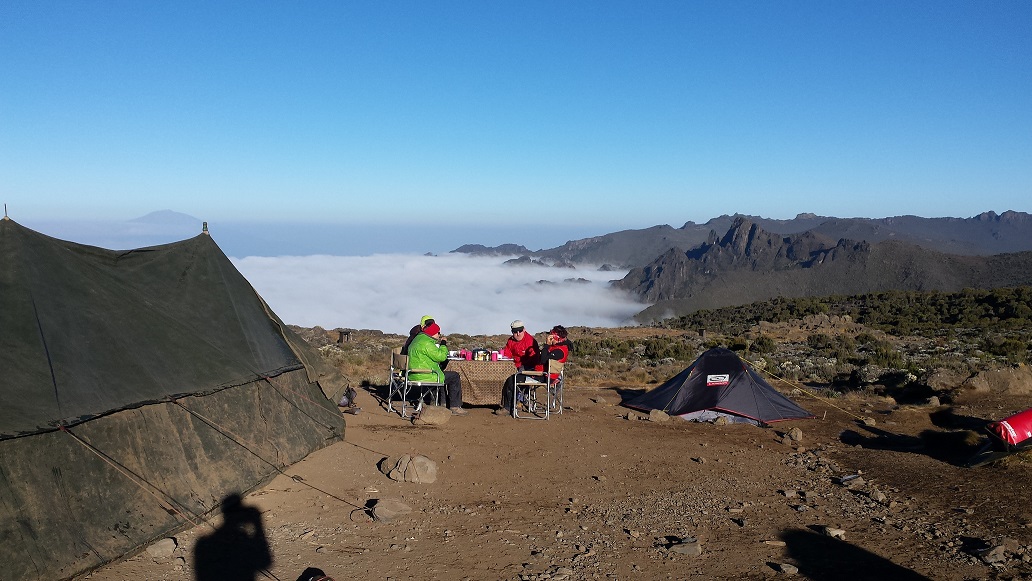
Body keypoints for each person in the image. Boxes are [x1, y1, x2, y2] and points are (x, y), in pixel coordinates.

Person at [406, 321, 467, 415]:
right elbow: (441, 357)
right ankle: (455, 406)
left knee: (442, 373)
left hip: (412, 374)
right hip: (425, 375)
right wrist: (443, 344)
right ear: (433, 333)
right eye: (438, 333)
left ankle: (438, 403)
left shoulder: (417, 340)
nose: (439, 335)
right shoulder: (427, 343)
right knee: (454, 376)